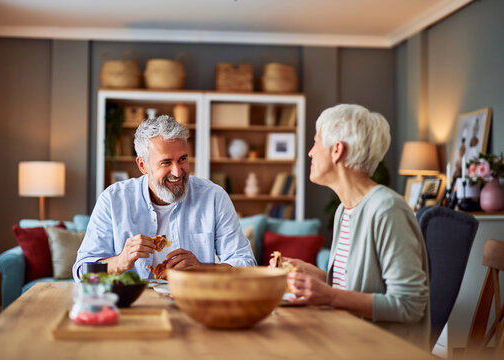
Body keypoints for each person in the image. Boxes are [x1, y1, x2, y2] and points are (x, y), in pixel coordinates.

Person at [273, 104, 430, 349]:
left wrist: (329, 295)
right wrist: (313, 275)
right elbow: (357, 288)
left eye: (316, 142)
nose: (310, 153)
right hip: (346, 338)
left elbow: (409, 305)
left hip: (383, 349)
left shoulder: (388, 210)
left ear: (337, 150)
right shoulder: (344, 210)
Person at [73, 115, 256, 280]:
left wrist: (202, 268)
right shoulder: (113, 200)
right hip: (132, 306)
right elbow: (82, 271)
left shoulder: (214, 197)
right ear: (142, 165)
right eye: (166, 162)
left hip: (194, 302)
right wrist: (121, 261)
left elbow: (246, 264)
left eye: (182, 159)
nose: (177, 171)